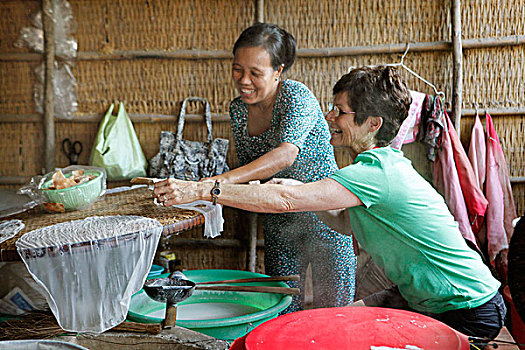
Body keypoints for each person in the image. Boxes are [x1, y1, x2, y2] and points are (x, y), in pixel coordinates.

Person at [154, 65, 506, 339]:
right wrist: (300, 189)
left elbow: (285, 201)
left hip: (467, 308)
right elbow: (341, 222)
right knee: (338, 325)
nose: (330, 119)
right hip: (436, 301)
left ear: (372, 123)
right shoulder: (378, 168)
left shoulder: (377, 174)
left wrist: (202, 190)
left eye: (340, 112)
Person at [200, 22, 356, 312]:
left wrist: (217, 183)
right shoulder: (238, 110)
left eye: (255, 73)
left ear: (278, 71)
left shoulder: (296, 96)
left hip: (326, 220)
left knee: (334, 314)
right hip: (279, 224)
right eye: (238, 69)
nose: (244, 80)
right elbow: (251, 168)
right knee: (281, 308)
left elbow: (285, 155)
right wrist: (209, 194)